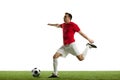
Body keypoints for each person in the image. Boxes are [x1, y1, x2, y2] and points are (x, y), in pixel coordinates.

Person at [47, 12, 97, 78]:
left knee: (81, 58)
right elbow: (57, 25)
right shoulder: (63, 25)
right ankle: (55, 74)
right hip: (64, 46)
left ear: (69, 18)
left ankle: (88, 46)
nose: (64, 18)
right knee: (55, 56)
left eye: (65, 17)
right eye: (64, 16)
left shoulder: (73, 25)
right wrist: (50, 24)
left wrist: (89, 39)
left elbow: (81, 33)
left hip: (71, 45)